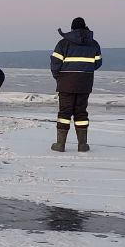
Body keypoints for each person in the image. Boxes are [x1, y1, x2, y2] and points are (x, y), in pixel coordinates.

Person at [49, 17, 102, 152]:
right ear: (85, 26)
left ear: (72, 28)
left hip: (66, 83)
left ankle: (60, 145)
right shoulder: (93, 44)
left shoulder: (63, 43)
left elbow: (55, 64)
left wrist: (59, 77)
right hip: (85, 83)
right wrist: (85, 70)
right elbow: (98, 63)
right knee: (81, 113)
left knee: (64, 113)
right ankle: (82, 145)